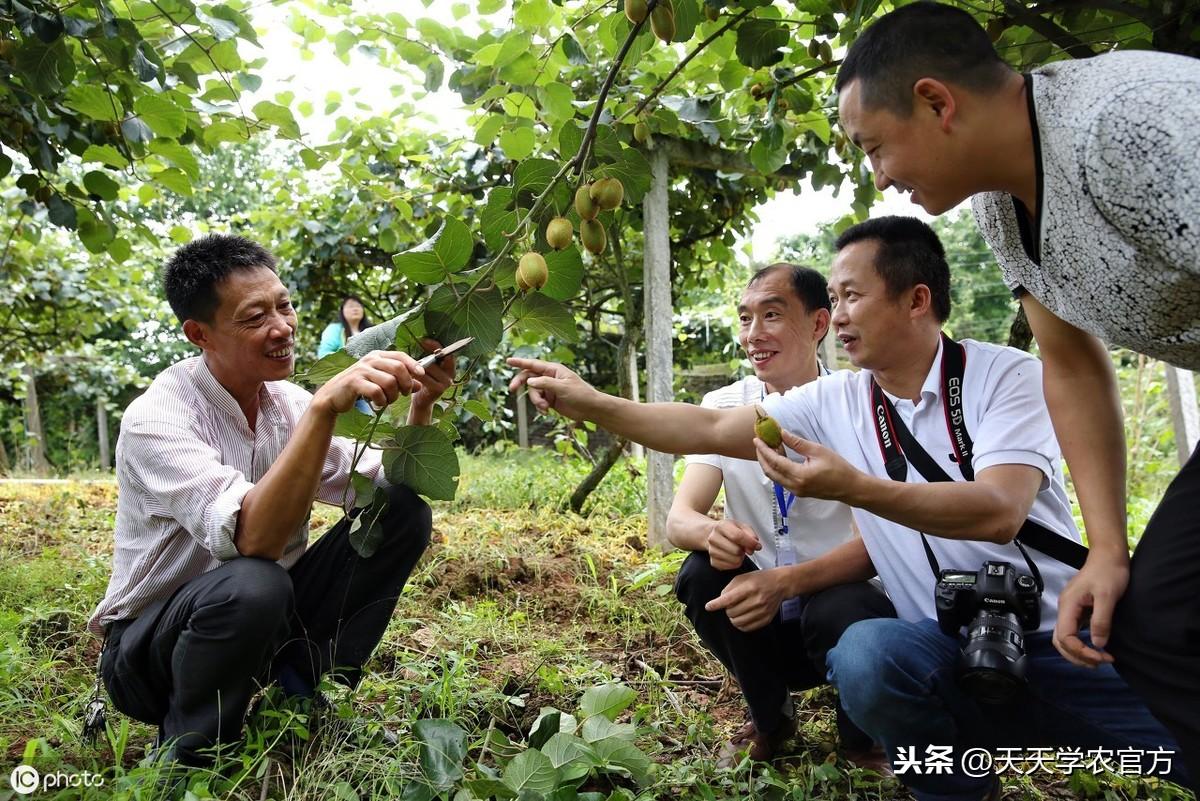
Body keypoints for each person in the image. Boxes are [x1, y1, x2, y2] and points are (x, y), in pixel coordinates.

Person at [509, 217, 1185, 800]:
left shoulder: (1001, 374)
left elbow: (999, 510)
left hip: (1061, 632)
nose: (842, 315)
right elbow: (709, 429)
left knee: (1171, 738)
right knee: (869, 652)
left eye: (852, 296)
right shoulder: (836, 402)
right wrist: (593, 401)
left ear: (917, 299)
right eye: (833, 297)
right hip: (941, 645)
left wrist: (853, 487)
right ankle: (951, 782)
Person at [833, 4, 1200, 785]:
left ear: (936, 103)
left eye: (874, 149)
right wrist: (1107, 547)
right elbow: (1069, 361)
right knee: (1157, 629)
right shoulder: (1003, 207)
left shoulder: (1122, 123)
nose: (880, 177)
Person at [88, 234, 456, 766]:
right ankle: (191, 751)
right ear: (200, 334)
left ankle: (298, 698)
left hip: (259, 624)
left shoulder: (287, 404)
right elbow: (253, 540)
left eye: (284, 305)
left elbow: (382, 487)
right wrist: (325, 411)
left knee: (400, 513)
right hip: (152, 655)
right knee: (255, 579)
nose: (282, 327)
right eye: (254, 316)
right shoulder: (158, 419)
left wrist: (420, 405)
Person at [667, 263, 894, 770]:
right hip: (760, 619)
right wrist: (713, 532)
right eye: (746, 318)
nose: (754, 334)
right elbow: (678, 520)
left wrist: (786, 583)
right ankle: (770, 719)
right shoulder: (725, 407)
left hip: (835, 611)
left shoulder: (858, 406)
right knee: (702, 573)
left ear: (818, 324)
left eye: (772, 315)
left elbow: (874, 547)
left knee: (851, 602)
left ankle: (861, 737)